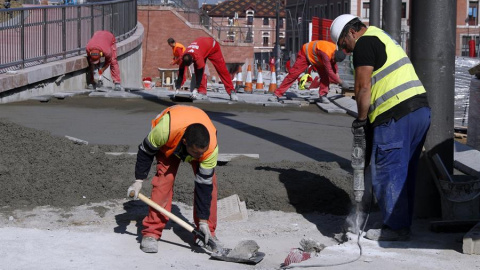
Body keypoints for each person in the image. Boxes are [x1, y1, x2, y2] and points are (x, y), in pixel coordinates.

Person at [330, 14, 431, 241]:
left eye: (344, 44)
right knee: (404, 172)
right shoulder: (382, 36)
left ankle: (395, 228)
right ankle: (397, 222)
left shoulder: (364, 44)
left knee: (387, 170)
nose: (345, 51)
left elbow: (363, 87)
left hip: (395, 113)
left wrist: (361, 121)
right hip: (420, 111)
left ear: (351, 32)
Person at [127, 105, 219, 253]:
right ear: (185, 143)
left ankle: (207, 234)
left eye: (201, 153)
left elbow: (204, 187)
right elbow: (145, 151)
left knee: (211, 186)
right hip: (170, 142)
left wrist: (203, 221)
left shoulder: (210, 149)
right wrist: (138, 180)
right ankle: (151, 232)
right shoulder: (164, 131)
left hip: (192, 136)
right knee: (164, 181)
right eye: (195, 152)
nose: (198, 156)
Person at [269, 40, 350, 104]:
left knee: (325, 76)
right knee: (293, 74)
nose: (334, 60)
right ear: (334, 55)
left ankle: (323, 95)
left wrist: (337, 75)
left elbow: (333, 66)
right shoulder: (326, 54)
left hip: (317, 58)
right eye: (334, 59)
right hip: (306, 53)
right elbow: (330, 71)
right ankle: (277, 94)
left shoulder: (334, 54)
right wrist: (341, 82)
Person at [176, 37, 238, 101]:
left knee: (221, 69)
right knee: (197, 68)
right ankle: (202, 92)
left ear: (192, 60)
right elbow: (181, 73)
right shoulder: (183, 57)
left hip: (213, 47)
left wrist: (196, 88)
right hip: (203, 46)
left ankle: (231, 91)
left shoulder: (198, 57)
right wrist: (177, 88)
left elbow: (200, 74)